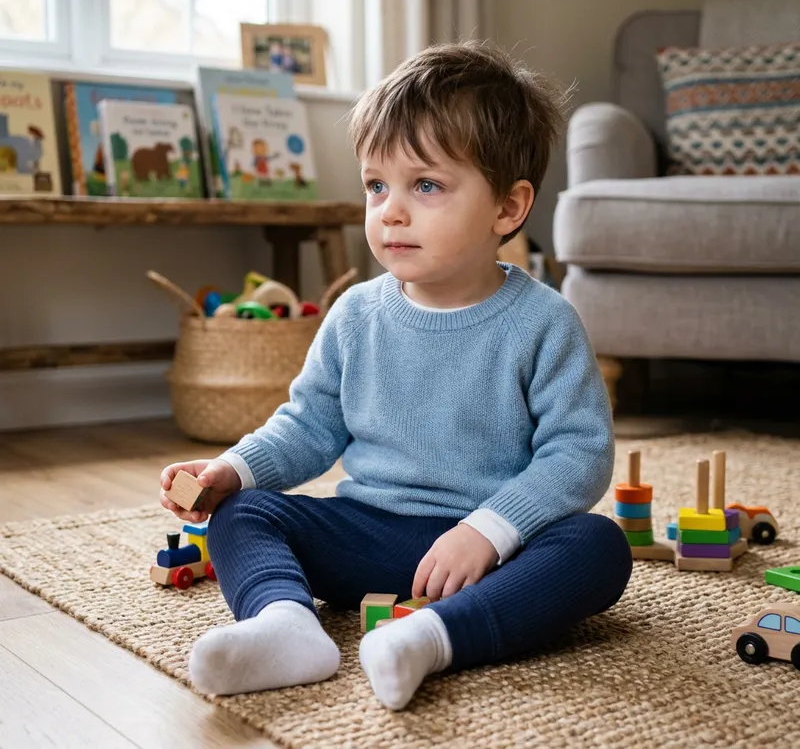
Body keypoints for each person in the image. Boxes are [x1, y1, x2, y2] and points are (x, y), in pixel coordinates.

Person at [160, 40, 632, 710]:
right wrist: (233, 470)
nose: (391, 211)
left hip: (493, 551)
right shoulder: (354, 314)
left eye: (426, 185)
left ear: (507, 207)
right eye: (377, 185)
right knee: (244, 513)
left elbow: (579, 454)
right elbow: (310, 424)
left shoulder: (543, 322)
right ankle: (287, 627)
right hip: (371, 530)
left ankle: (434, 639)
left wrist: (488, 531)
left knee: (597, 546)